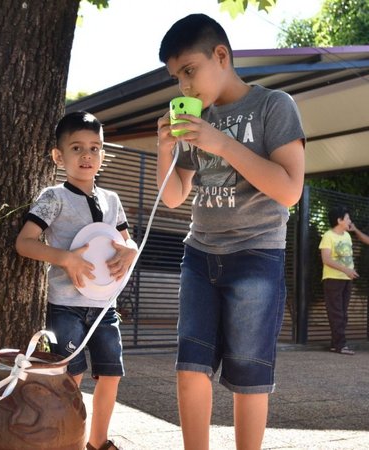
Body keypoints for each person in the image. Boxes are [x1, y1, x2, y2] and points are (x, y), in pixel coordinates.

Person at [155, 14, 305, 450]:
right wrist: (167, 151)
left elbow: (290, 189)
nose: (183, 87)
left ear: (221, 55)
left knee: (248, 375)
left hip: (257, 255)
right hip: (199, 254)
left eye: (189, 71)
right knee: (189, 366)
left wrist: (220, 143)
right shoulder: (195, 118)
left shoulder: (274, 106)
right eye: (176, 78)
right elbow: (175, 195)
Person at [16, 111, 137, 450]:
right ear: (58, 156)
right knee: (71, 378)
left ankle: (98, 442)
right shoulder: (53, 197)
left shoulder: (112, 200)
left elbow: (128, 242)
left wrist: (131, 251)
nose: (87, 156)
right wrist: (66, 258)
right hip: (66, 306)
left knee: (111, 374)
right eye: (77, 148)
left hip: (104, 309)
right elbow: (24, 243)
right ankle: (67, 440)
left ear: (103, 154)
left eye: (95, 148)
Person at [319, 205, 365, 355]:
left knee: (343, 313)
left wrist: (350, 271)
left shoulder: (347, 236)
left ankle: (335, 344)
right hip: (333, 279)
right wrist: (346, 270)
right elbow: (326, 259)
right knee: (336, 313)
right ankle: (340, 345)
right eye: (347, 218)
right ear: (339, 220)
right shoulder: (328, 236)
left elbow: (348, 258)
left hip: (347, 279)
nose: (350, 221)